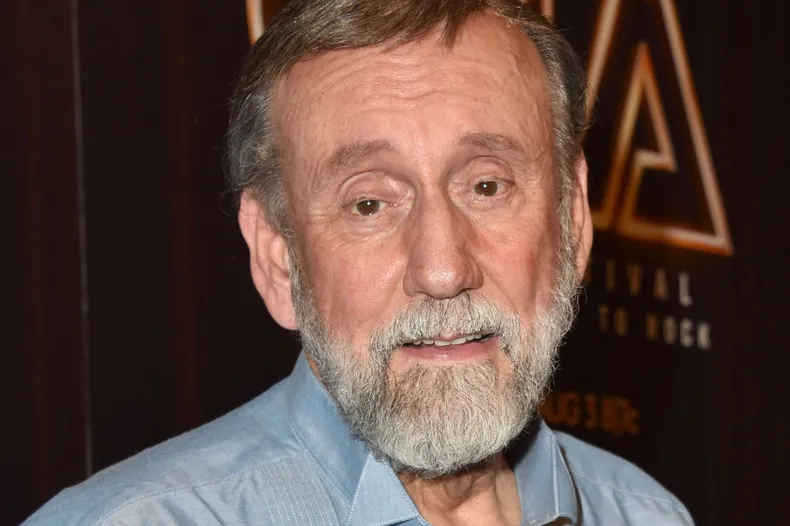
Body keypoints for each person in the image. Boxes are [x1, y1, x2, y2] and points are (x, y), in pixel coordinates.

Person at [25, 0, 694, 524]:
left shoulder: (646, 515)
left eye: (486, 186)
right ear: (278, 257)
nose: (443, 269)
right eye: (369, 203)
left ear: (571, 220)